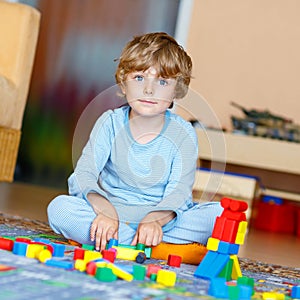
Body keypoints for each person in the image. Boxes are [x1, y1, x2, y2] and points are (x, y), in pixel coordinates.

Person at [47, 32, 222, 252]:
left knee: (219, 216)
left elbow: (179, 193)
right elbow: (84, 176)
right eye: (139, 78)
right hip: (112, 213)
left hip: (162, 220)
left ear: (176, 90)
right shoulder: (109, 123)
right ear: (123, 84)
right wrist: (106, 212)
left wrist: (155, 220)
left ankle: (122, 240)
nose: (149, 90)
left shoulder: (183, 132)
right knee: (59, 209)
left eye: (162, 81)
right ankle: (146, 244)